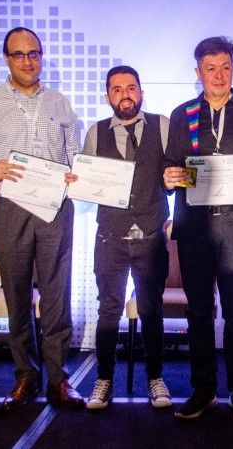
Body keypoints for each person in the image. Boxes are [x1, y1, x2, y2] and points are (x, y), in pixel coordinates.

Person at [0, 27, 84, 411]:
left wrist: (77, 174)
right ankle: (26, 376)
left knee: (57, 294)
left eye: (34, 54)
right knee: (16, 294)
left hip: (54, 208)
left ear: (41, 57)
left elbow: (75, 155)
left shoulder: (60, 103)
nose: (28, 61)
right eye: (19, 54)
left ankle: (58, 379)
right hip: (8, 204)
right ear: (6, 59)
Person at [163, 36, 233, 419]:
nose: (219, 75)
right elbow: (172, 164)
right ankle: (203, 389)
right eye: (211, 69)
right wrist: (170, 176)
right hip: (195, 228)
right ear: (198, 72)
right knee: (198, 312)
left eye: (225, 67)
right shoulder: (183, 115)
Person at [70, 66, 172, 410]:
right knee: (109, 309)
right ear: (107, 96)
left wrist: (176, 179)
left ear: (141, 92)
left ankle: (155, 378)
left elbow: (178, 171)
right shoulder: (95, 133)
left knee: (151, 309)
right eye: (117, 89)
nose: (125, 94)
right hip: (109, 238)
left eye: (131, 88)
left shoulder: (162, 125)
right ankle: (103, 380)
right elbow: (85, 190)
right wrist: (76, 184)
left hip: (151, 236)